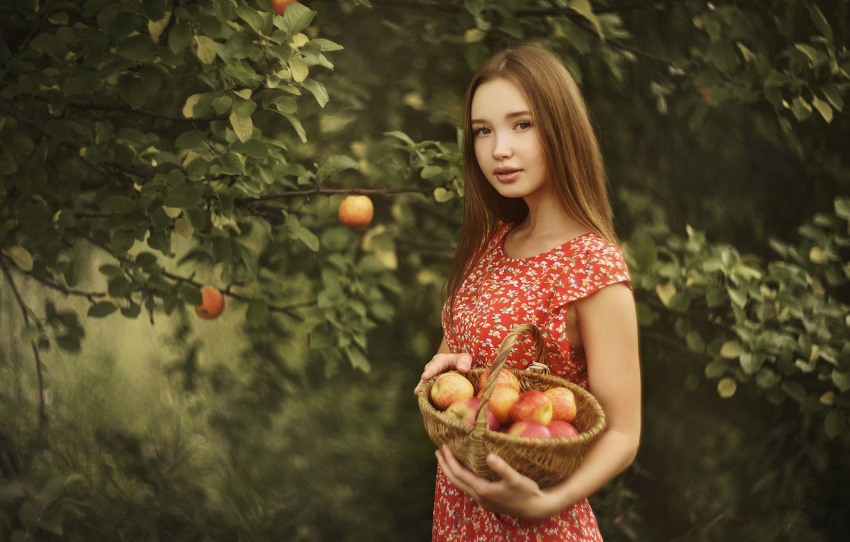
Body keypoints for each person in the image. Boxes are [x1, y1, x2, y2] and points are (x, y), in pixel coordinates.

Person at [412, 43, 642, 541]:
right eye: (482, 131)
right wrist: (446, 367)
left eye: (522, 124)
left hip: (540, 528)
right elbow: (464, 364)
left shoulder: (592, 265)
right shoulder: (493, 243)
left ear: (561, 128)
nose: (499, 149)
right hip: (459, 521)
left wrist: (546, 503)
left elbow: (623, 433)